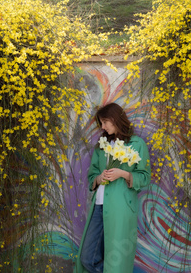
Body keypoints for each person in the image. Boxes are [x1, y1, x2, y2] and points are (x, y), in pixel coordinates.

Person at [75, 102, 151, 273]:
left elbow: (145, 177)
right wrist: (99, 178)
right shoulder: (102, 145)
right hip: (99, 206)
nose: (102, 127)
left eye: (105, 122)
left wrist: (123, 174)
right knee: (87, 258)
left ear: (115, 119)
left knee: (116, 261)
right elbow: (92, 174)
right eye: (101, 123)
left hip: (121, 208)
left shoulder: (137, 144)